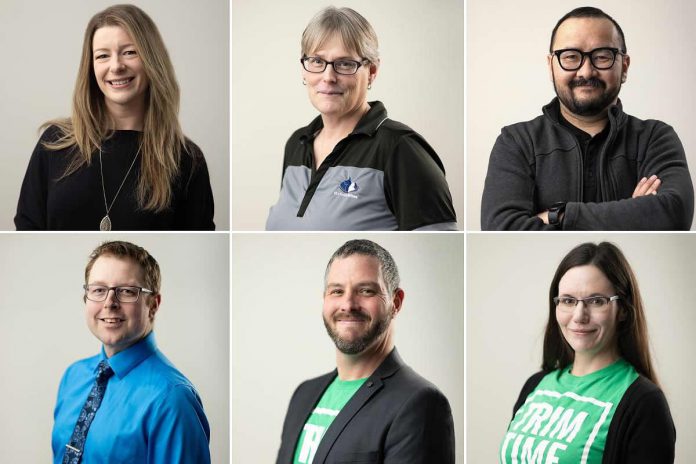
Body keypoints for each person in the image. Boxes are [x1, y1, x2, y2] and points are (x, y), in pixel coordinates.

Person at [481, 7, 693, 230]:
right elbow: (502, 228)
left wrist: (559, 215)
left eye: (602, 57)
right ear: (550, 65)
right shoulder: (517, 142)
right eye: (571, 57)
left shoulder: (655, 138)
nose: (586, 71)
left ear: (625, 66)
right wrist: (634, 212)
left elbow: (674, 214)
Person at [15, 4, 214, 230]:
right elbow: (27, 227)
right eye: (102, 56)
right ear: (90, 67)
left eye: (129, 52)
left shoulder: (186, 159)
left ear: (152, 60)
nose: (116, 66)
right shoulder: (54, 143)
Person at [266, 7, 457, 231]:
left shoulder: (401, 148)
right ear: (304, 70)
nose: (328, 77)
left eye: (345, 63)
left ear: (372, 71)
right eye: (317, 61)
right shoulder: (296, 143)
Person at [276, 239, 455, 463]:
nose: (348, 304)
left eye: (366, 291)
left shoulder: (420, 403)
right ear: (324, 299)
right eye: (337, 291)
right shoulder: (303, 394)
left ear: (396, 303)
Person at [500, 242, 675, 463]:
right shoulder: (535, 386)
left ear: (622, 309)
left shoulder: (644, 402)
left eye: (596, 301)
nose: (579, 316)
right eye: (568, 301)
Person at [52, 241, 211, 463]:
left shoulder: (172, 399)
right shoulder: (73, 377)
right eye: (98, 290)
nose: (110, 303)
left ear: (153, 304)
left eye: (126, 291)